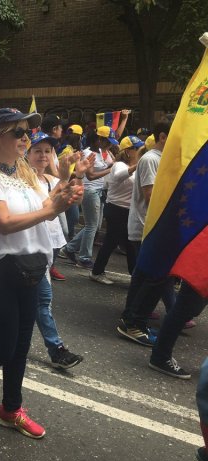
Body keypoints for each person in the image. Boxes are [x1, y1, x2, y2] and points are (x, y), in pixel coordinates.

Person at [0, 108, 83, 440]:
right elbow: (4, 223)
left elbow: (44, 206)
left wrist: (63, 194)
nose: (27, 138)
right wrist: (50, 209)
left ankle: (11, 408)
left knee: (21, 347)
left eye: (28, 132)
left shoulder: (25, 172)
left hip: (31, 267)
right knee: (2, 348)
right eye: (19, 133)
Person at [26, 131, 86, 369]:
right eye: (37, 151)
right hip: (29, 248)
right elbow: (40, 209)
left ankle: (13, 339)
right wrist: (62, 184)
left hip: (47, 245)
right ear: (27, 154)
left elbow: (75, 200)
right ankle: (56, 348)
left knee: (37, 302)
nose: (43, 156)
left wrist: (78, 176)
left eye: (47, 151)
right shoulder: (24, 181)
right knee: (42, 300)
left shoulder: (50, 180)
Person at [118, 120, 174, 346]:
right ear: (162, 136)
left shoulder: (162, 159)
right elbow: (151, 196)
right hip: (148, 227)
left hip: (155, 227)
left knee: (143, 276)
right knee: (154, 277)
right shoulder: (151, 159)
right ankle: (135, 324)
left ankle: (130, 319)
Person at [89, 135, 143, 284]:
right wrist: (137, 166)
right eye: (137, 148)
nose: (141, 151)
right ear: (127, 151)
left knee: (130, 243)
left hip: (128, 210)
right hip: (117, 209)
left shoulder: (137, 167)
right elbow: (119, 176)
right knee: (112, 241)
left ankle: (135, 275)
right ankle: (97, 272)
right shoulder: (119, 165)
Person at [60, 126, 116, 269]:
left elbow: (113, 162)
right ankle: (84, 257)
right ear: (98, 139)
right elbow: (90, 176)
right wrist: (110, 169)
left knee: (95, 226)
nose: (109, 145)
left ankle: (70, 248)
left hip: (100, 191)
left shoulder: (104, 152)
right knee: (91, 226)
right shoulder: (87, 153)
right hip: (90, 191)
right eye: (107, 142)